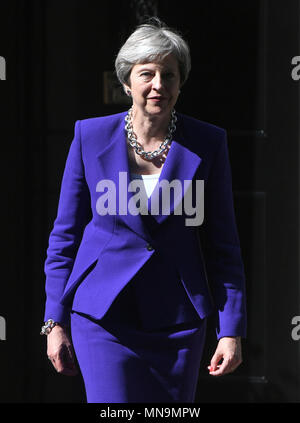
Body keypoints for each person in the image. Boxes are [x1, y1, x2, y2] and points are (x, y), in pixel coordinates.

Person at [41, 18, 247, 403]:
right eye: (147, 74)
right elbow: (64, 235)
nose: (158, 85)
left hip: (179, 323)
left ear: (180, 82)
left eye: (169, 75)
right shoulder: (90, 136)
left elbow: (224, 244)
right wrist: (55, 320)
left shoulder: (207, 142)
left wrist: (230, 329)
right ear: (127, 81)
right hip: (103, 317)